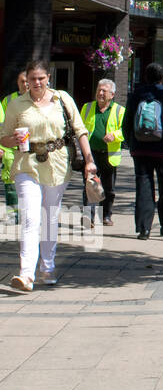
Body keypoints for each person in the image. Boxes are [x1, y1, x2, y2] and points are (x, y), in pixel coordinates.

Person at [0, 60, 96, 291]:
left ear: (48, 78)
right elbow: (3, 137)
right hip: (27, 164)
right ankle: (26, 274)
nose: (36, 83)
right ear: (26, 80)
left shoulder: (62, 99)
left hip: (57, 164)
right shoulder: (16, 105)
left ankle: (48, 266)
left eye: (41, 78)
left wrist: (89, 160)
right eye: (32, 79)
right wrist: (12, 140)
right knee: (31, 218)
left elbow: (80, 130)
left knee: (50, 217)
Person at [124, 62, 163, 240]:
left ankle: (144, 229)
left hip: (141, 150)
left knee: (144, 188)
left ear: (145, 77)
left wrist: (131, 144)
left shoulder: (136, 95)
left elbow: (127, 122)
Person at [80, 79, 125, 227]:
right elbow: (79, 128)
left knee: (108, 188)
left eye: (104, 91)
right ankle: (89, 217)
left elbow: (125, 131)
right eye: (98, 90)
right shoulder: (87, 108)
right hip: (91, 155)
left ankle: (106, 215)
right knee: (90, 185)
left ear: (112, 94)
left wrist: (115, 136)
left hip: (109, 155)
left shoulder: (119, 110)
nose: (100, 93)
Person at [0, 70, 26, 222]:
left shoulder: (39, 100)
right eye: (22, 81)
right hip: (10, 146)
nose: (25, 84)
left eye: (26, 81)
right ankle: (13, 213)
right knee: (9, 180)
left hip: (31, 148)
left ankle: (28, 213)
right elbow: (1, 126)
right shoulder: (8, 100)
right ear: (17, 83)